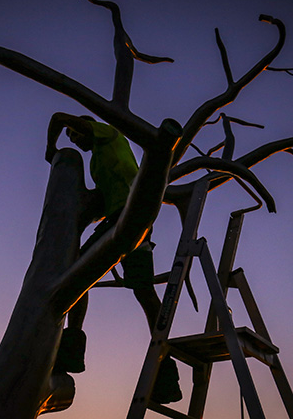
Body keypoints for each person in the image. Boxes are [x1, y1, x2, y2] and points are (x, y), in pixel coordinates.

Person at [45, 112, 181, 404]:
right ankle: (165, 371)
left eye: (75, 135)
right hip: (126, 221)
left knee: (78, 269)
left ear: (84, 127)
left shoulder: (105, 133)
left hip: (129, 216)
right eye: (71, 138)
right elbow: (105, 195)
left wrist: (50, 149)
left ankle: (72, 347)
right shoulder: (97, 160)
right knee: (141, 289)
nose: (75, 141)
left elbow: (57, 117)